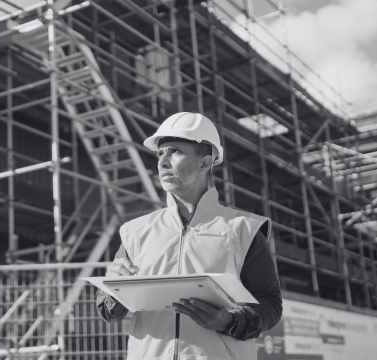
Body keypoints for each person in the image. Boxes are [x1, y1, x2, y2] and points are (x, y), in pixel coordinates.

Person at [96, 112, 282, 360]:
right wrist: (113, 289)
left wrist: (229, 320)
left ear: (205, 164)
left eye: (174, 151)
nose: (163, 161)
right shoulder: (135, 231)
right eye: (160, 153)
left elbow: (270, 304)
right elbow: (108, 312)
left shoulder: (243, 229)